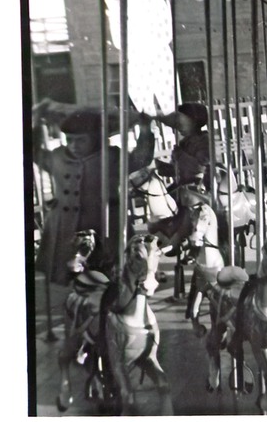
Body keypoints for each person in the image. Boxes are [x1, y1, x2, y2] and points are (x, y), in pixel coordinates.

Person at [34, 108, 155, 286]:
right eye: (70, 140)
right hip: (66, 226)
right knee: (72, 273)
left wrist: (145, 129)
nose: (74, 145)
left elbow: (141, 158)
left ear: (96, 138)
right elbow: (35, 153)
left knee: (108, 271)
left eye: (81, 140)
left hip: (103, 222)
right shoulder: (58, 157)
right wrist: (35, 123)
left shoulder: (111, 157)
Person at [153, 102, 212, 256]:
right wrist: (157, 166)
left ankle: (180, 237)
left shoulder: (205, 140)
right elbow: (175, 171)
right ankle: (163, 233)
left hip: (199, 185)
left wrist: (180, 156)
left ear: (195, 121)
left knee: (186, 204)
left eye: (183, 121)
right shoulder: (183, 143)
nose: (179, 125)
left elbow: (201, 164)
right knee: (161, 198)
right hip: (183, 184)